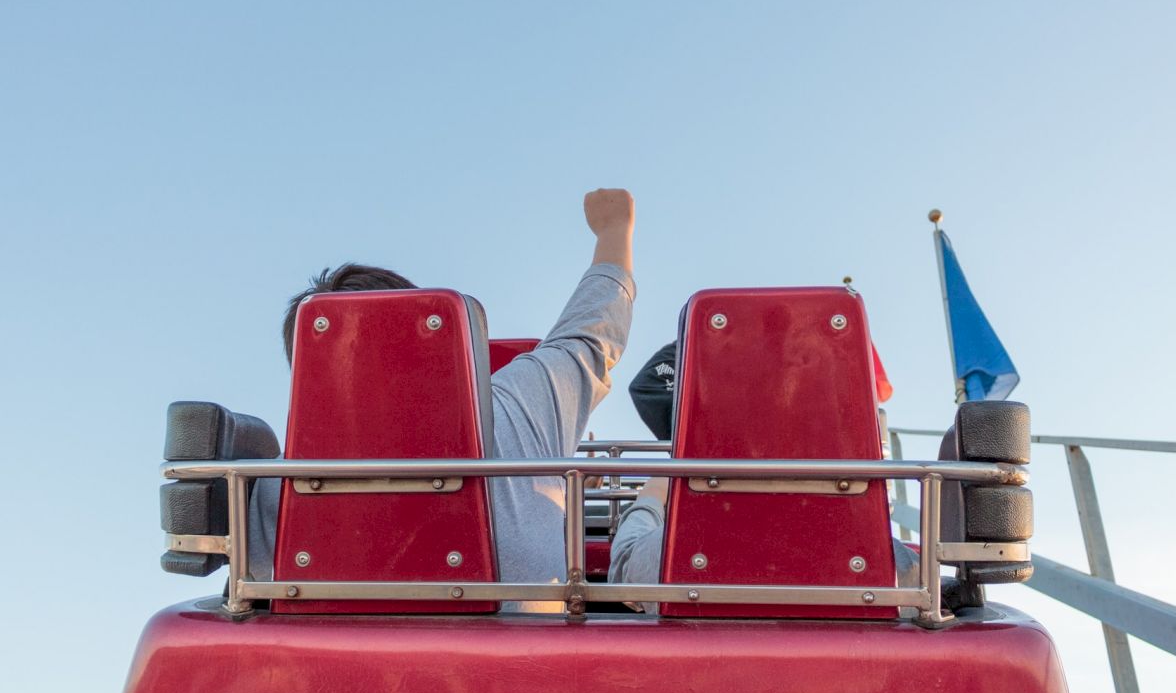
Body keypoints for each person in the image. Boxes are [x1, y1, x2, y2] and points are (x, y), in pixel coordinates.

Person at [248, 189, 637, 611]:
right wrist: (614, 232)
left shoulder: (269, 486)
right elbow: (590, 335)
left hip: (332, 674)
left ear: (307, 374)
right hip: (519, 670)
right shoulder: (518, 404)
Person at [609, 337, 918, 598]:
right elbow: (922, 585)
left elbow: (624, 567)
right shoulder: (886, 561)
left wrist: (650, 497)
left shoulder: (672, 552)